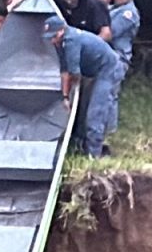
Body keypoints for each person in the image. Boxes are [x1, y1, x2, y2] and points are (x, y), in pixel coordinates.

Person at [43, 15, 125, 158]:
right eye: (49, 37)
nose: (52, 40)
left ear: (62, 31)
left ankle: (95, 155)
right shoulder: (59, 43)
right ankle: (83, 145)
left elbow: (75, 74)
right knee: (87, 109)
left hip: (108, 68)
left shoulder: (71, 41)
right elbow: (64, 71)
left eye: (54, 36)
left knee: (96, 111)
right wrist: (65, 97)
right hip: (93, 71)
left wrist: (73, 97)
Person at [106, 0, 141, 139]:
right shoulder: (113, 8)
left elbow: (110, 33)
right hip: (107, 58)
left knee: (110, 95)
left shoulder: (128, 13)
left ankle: (109, 133)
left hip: (117, 59)